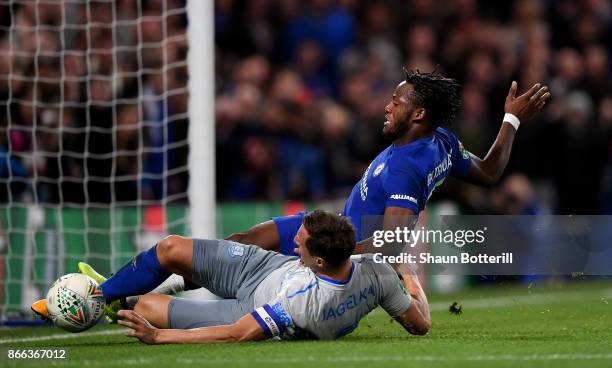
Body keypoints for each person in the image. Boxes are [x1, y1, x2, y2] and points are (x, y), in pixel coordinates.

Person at [227, 69, 550, 255]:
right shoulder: (443, 141)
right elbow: (489, 172)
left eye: (395, 102)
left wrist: (330, 253)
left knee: (239, 257)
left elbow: (392, 243)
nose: (387, 107)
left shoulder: (408, 167)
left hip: (339, 246)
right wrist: (511, 119)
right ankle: (180, 277)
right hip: (332, 225)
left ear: (419, 113)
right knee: (243, 243)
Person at [36, 210, 431, 343]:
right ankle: (100, 294)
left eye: (302, 243)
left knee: (149, 308)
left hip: (250, 306)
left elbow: (239, 332)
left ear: (320, 262)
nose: (294, 242)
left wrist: (161, 337)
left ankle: (104, 302)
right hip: (262, 270)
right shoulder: (376, 272)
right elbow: (420, 324)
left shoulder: (301, 301)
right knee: (171, 247)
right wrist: (411, 280)